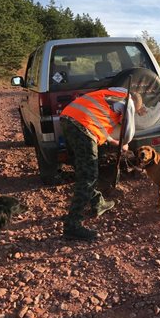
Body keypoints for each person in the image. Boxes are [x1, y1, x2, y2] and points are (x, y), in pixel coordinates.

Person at [60, 86, 138, 241]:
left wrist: (114, 142)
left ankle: (98, 203)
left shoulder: (112, 93)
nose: (120, 120)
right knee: (89, 177)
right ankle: (72, 225)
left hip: (68, 119)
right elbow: (128, 133)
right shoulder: (129, 102)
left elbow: (98, 125)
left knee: (84, 169)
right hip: (83, 126)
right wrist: (124, 143)